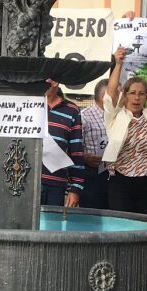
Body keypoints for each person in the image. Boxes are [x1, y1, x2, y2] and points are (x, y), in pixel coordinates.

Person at [102, 46, 147, 216]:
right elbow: (110, 94)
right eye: (132, 93)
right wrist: (118, 64)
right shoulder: (116, 116)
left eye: (141, 93)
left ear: (146, 97)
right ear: (125, 95)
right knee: (121, 224)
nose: (137, 97)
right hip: (120, 179)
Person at [41, 78, 84, 207]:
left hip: (56, 185)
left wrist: (76, 187)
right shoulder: (25, 104)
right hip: (25, 181)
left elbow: (76, 151)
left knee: (52, 220)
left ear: (55, 81)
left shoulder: (72, 110)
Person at [79, 80, 109, 210]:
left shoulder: (121, 115)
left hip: (116, 174)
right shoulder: (85, 116)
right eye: (117, 93)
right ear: (104, 96)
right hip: (93, 174)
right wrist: (84, 157)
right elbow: (75, 146)